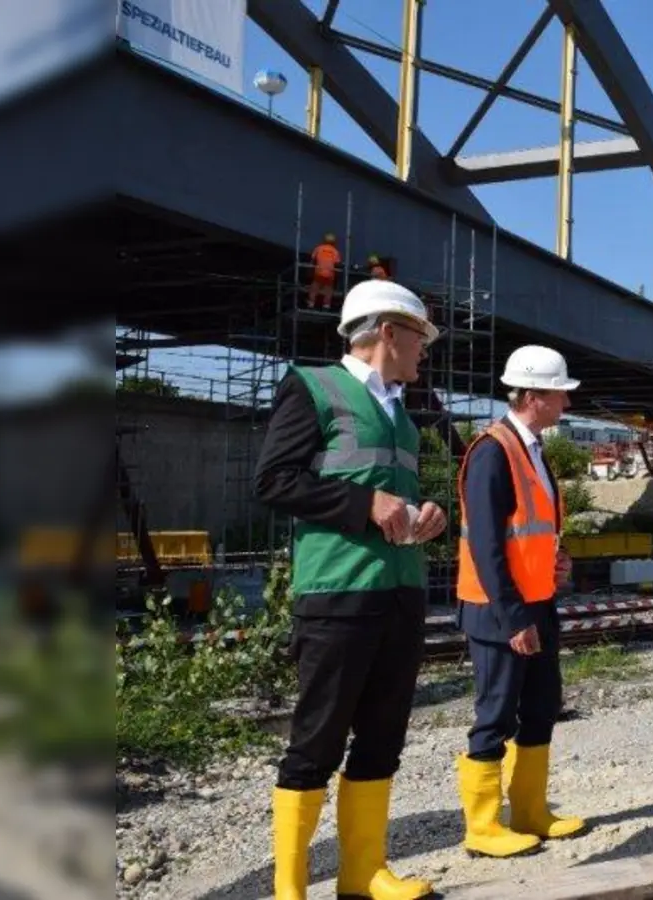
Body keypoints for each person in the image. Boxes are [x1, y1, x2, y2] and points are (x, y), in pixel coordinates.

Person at [255, 279, 444, 900]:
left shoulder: (402, 414)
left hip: (400, 590)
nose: (426, 349)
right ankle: (290, 888)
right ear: (388, 331)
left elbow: (395, 498)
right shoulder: (311, 388)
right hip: (337, 593)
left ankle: (361, 872)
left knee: (384, 733)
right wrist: (366, 503)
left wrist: (426, 515)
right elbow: (275, 481)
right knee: (318, 739)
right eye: (421, 336)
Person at [452, 345, 587, 857]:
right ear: (533, 396)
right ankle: (483, 828)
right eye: (559, 395)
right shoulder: (493, 450)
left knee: (541, 708)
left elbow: (532, 531)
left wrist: (559, 560)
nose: (565, 405)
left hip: (537, 601)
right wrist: (512, 617)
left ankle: (530, 810)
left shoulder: (531, 448)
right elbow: (486, 546)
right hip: (498, 611)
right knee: (495, 715)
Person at [307, 233, 340, 309]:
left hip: (319, 271)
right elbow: (337, 263)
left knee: (314, 288)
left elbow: (313, 260)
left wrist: (309, 271)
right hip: (330, 273)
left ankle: (311, 303)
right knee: (328, 290)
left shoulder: (318, 248)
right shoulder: (335, 251)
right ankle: (326, 305)